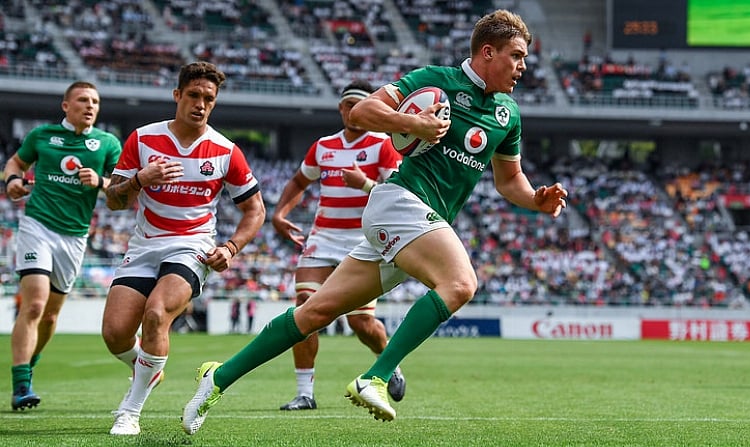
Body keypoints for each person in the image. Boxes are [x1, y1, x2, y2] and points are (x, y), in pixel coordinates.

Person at [182, 10, 567, 434]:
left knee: (315, 313)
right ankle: (376, 376)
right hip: (398, 202)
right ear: (488, 52)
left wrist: (536, 200)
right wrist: (412, 122)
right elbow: (363, 112)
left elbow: (509, 179)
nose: (523, 66)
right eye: (516, 55)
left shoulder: (508, 113)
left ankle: (216, 379)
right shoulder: (434, 79)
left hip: (420, 220)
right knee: (460, 283)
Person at [102, 61, 265, 436]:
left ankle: (130, 411)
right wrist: (140, 180)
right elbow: (113, 200)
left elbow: (255, 210)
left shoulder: (226, 150)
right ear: (177, 95)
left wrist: (232, 247)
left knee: (157, 313)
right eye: (193, 95)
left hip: (192, 245)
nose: (201, 104)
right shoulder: (143, 139)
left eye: (209, 98)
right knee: (115, 334)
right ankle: (149, 367)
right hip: (144, 245)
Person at [271, 80, 405, 411]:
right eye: (348, 105)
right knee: (304, 306)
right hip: (323, 237)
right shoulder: (324, 146)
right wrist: (279, 213)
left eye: (360, 104)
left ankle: (390, 364)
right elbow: (300, 181)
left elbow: (400, 193)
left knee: (360, 324)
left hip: (364, 240)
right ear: (341, 109)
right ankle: (305, 392)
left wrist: (365, 183)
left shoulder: (382, 145)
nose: (353, 111)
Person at [4, 81, 121, 411]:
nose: (90, 106)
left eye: (95, 101)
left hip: (75, 236)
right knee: (35, 305)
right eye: (83, 100)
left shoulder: (108, 144)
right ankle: (21, 385)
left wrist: (100, 182)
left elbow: (126, 187)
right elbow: (15, 164)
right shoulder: (41, 136)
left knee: (51, 316)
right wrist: (13, 181)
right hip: (37, 226)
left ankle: (29, 363)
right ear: (66, 106)